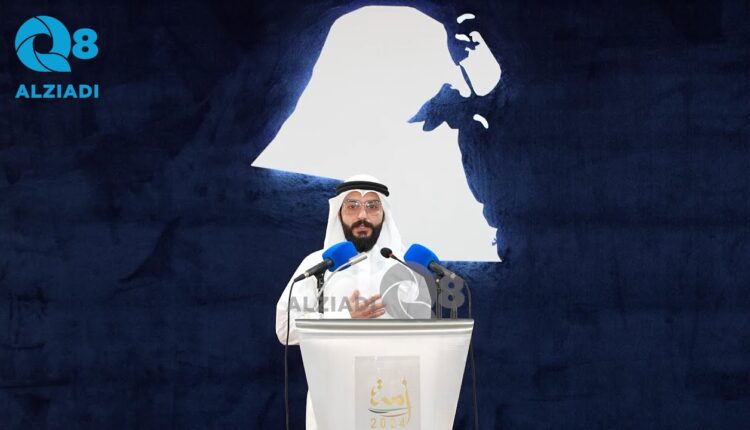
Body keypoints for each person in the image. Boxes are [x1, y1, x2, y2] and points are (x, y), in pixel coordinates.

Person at [276, 174, 418, 430]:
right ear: (339, 213)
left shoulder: (403, 267)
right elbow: (285, 328)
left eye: (372, 206)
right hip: (333, 400)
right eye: (352, 206)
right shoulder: (317, 265)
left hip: (391, 402)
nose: (362, 215)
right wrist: (343, 317)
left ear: (384, 213)